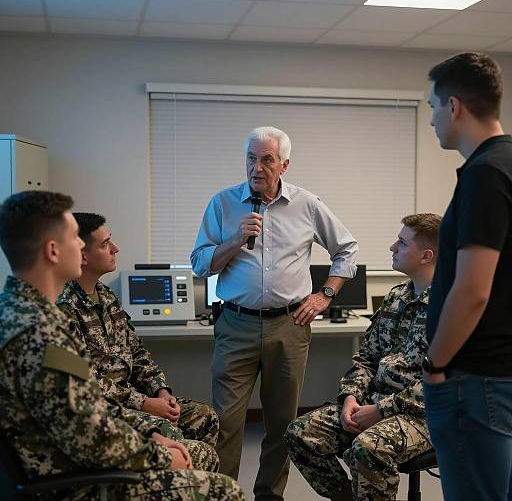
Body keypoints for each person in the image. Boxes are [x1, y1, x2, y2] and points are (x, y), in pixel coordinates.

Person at [0, 190, 245, 501]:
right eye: (75, 238)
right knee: (225, 489)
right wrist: (158, 453)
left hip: (75, 462)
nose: (80, 245)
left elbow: (90, 406)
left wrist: (148, 432)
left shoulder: (23, 313)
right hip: (71, 482)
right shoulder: (40, 334)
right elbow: (90, 437)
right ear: (53, 251)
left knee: (194, 445)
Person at [190, 126, 358, 500]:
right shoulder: (223, 204)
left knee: (282, 424)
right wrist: (234, 240)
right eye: (251, 158)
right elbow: (200, 265)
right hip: (235, 323)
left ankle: (270, 495)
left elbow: (346, 251)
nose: (257, 167)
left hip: (290, 325)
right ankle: (224, 495)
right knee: (226, 422)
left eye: (267, 159)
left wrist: (325, 295)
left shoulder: (307, 204)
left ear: (284, 164)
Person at [286, 213, 441, 501]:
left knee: (368, 448)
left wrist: (381, 410)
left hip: (427, 415)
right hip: (373, 403)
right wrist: (350, 398)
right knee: (301, 432)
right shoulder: (396, 297)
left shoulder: (450, 306)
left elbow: (443, 383)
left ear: (426, 256)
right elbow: (367, 358)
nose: (393, 248)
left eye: (402, 243)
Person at [57, 212, 219, 472]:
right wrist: (143, 404)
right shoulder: (64, 308)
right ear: (82, 255)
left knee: (206, 417)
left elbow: (137, 352)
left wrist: (161, 392)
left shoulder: (106, 295)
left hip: (135, 399)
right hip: (107, 406)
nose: (115, 248)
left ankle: (194, 487)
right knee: (167, 430)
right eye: (105, 243)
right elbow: (87, 381)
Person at [424, 52, 512, 501]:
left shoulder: (484, 175)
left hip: (475, 380)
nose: (433, 121)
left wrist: (435, 364)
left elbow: (473, 290)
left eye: (433, 108)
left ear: (454, 106)